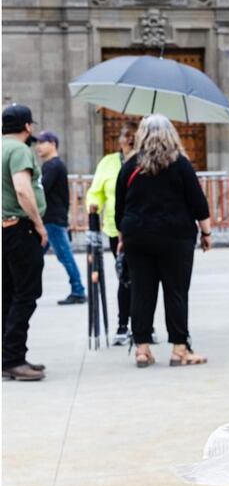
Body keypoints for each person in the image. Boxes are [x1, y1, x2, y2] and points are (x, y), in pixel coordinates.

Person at [115, 114, 212, 368]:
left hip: (138, 236)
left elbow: (119, 206)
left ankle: (142, 349)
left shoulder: (130, 165)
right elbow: (198, 203)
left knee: (141, 291)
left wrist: (122, 235)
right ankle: (179, 349)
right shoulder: (181, 164)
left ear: (141, 135)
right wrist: (207, 233)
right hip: (175, 236)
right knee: (176, 291)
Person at [87, 121, 151, 345]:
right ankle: (124, 325)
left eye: (134, 134)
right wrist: (93, 205)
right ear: (120, 139)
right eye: (126, 135)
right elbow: (96, 191)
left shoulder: (148, 161)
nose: (130, 138)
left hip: (144, 228)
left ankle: (144, 325)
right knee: (126, 277)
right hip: (117, 230)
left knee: (143, 279)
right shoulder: (108, 163)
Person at [2, 104, 48, 381]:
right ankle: (14, 358)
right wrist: (39, 225)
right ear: (28, 126)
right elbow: (22, 188)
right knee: (26, 294)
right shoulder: (19, 150)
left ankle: (8, 356)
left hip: (4, 229)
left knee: (7, 294)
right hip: (20, 229)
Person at [36, 130, 85, 304]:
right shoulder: (52, 165)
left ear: (53, 144)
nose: (38, 146)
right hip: (52, 218)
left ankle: (78, 290)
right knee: (35, 255)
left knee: (64, 255)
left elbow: (42, 190)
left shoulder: (53, 165)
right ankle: (27, 288)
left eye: (42, 142)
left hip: (52, 220)